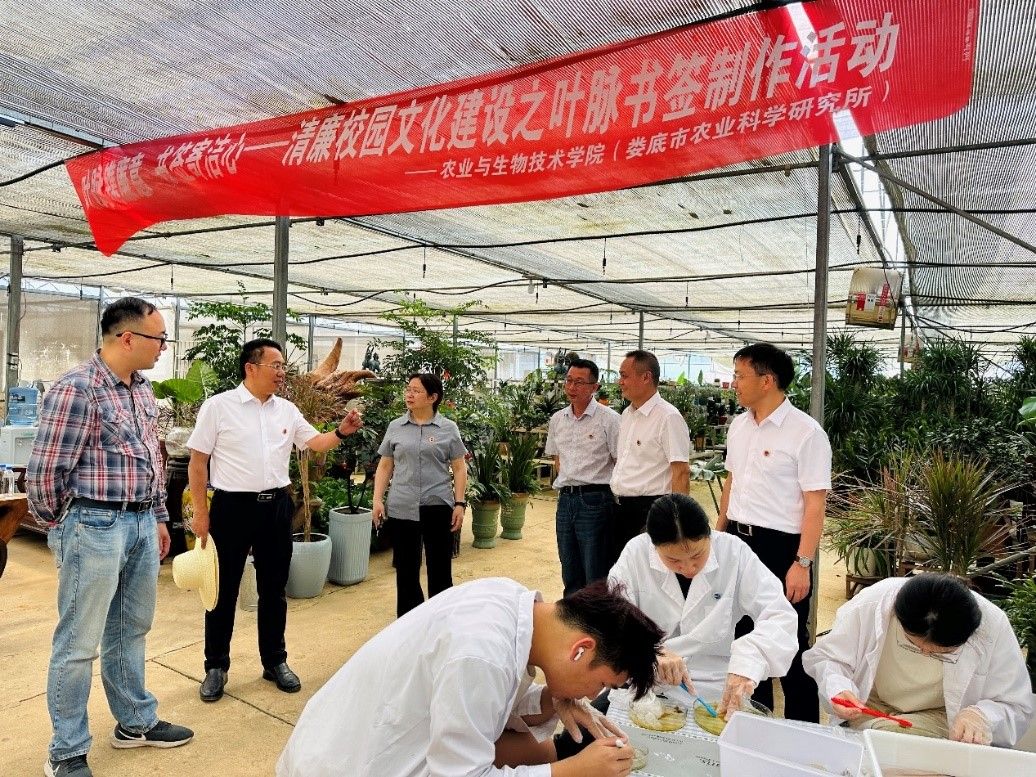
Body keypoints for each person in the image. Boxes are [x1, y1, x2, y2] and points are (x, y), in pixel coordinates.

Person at [27, 297, 193, 777]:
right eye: (159, 338)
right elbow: (44, 473)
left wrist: (157, 516)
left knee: (130, 629)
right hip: (93, 526)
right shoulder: (77, 389)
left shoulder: (141, 389)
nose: (164, 347)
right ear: (128, 338)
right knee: (78, 643)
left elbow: (151, 459)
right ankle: (66, 751)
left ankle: (135, 722)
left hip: (139, 524)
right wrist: (63, 525)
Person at [277, 577, 665, 777]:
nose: (594, 694)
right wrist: (571, 772)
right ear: (581, 650)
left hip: (345, 742)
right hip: (346, 765)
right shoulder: (481, 653)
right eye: (602, 683)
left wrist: (550, 700)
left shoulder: (515, 606)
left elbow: (486, 704)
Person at [186, 338, 361, 702]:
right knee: (222, 589)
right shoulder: (219, 407)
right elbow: (198, 462)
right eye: (276, 365)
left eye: (283, 366)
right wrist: (201, 513)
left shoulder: (287, 410)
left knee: (274, 588)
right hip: (231, 509)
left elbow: (315, 443)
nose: (282, 372)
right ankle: (215, 666)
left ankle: (274, 661)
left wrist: (342, 431)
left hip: (276, 507)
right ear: (251, 368)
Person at [715, 342, 830, 723]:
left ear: (767, 381)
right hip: (737, 540)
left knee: (789, 641)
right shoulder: (739, 426)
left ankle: (805, 733)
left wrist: (803, 562)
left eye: (740, 375)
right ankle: (755, 722)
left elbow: (815, 504)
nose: (734, 383)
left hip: (780, 547)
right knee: (743, 635)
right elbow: (731, 483)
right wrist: (719, 537)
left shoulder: (805, 433)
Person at [610, 493, 798, 717]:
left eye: (698, 555)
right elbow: (611, 621)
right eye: (673, 560)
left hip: (715, 686)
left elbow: (779, 615)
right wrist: (648, 653)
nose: (689, 568)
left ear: (709, 535)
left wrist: (748, 660)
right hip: (650, 683)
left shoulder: (733, 552)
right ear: (654, 546)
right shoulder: (636, 554)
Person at [803, 575, 1035, 747]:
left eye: (941, 653)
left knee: (897, 745)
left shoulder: (992, 626)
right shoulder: (874, 604)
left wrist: (981, 716)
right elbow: (828, 658)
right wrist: (839, 687)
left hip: (939, 716)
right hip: (871, 705)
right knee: (878, 745)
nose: (925, 653)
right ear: (897, 615)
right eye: (912, 643)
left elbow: (1016, 705)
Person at [372, 373, 467, 617]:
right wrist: (377, 499)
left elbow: (459, 467)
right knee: (406, 571)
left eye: (416, 391)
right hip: (402, 505)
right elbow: (385, 465)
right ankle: (410, 623)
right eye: (408, 389)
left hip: (438, 506)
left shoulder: (448, 428)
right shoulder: (396, 427)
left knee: (440, 570)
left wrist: (459, 503)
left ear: (432, 397)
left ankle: (441, 622)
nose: (409, 394)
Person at [544, 358, 621, 596]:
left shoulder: (609, 419)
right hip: (565, 499)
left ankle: (597, 617)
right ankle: (572, 614)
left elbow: (620, 461)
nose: (571, 387)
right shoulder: (558, 419)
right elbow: (557, 459)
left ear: (594, 387)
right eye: (568, 380)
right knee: (569, 567)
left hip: (596, 500)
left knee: (595, 569)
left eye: (579, 382)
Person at [609, 350, 690, 565]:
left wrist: (676, 523)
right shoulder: (627, 415)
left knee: (648, 572)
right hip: (620, 508)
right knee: (623, 572)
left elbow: (681, 472)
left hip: (650, 511)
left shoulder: (668, 417)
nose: (620, 382)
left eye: (624, 376)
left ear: (646, 377)